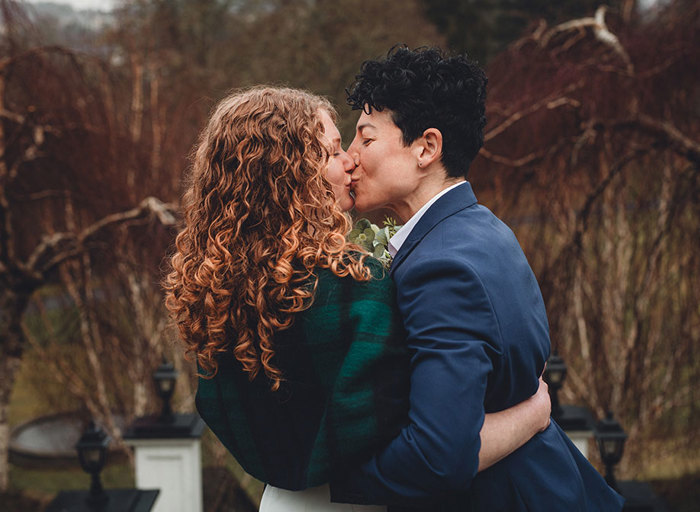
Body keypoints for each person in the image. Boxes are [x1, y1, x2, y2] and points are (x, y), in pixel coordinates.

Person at [164, 86, 552, 512]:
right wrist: (531, 413)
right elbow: (434, 446)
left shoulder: (221, 293)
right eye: (332, 152)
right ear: (293, 175)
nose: (350, 160)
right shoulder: (350, 290)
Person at [327, 47, 625, 511]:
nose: (349, 158)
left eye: (365, 139)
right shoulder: (481, 229)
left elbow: (437, 456)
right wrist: (532, 413)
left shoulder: (443, 270)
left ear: (426, 147)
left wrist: (321, 483)